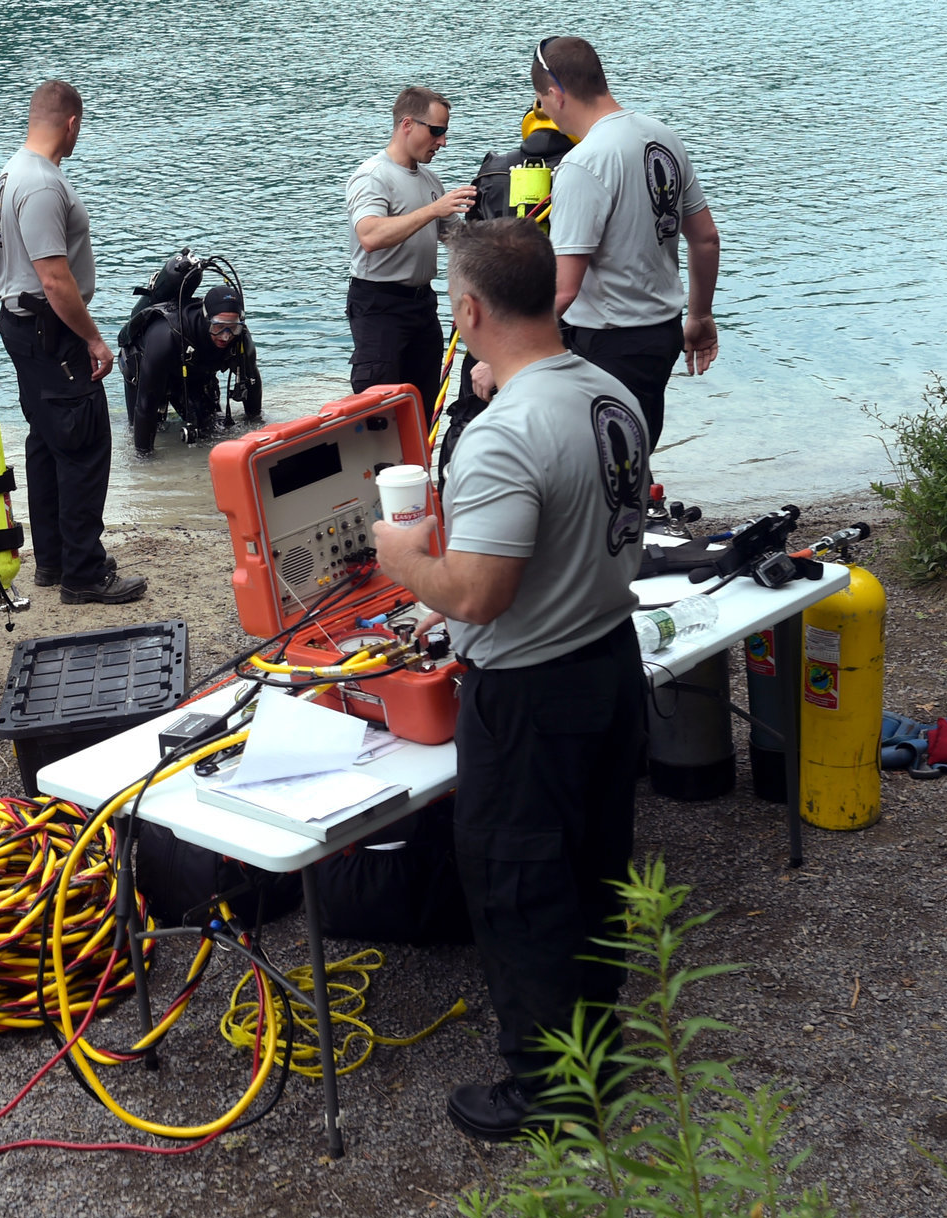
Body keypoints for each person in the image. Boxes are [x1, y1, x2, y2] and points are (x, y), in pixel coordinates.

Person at [370, 219, 650, 1141]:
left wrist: (400, 559)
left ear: (470, 309)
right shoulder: (609, 395)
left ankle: (547, 1091)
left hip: (531, 694)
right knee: (594, 869)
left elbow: (481, 594)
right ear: (553, 295)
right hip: (609, 664)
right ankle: (594, 1047)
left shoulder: (505, 436)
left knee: (521, 885)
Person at [0, 79, 147, 604]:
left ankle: (54, 559)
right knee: (82, 440)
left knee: (47, 440)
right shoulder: (39, 183)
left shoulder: (15, 170)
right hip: (48, 328)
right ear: (71, 123)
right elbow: (55, 280)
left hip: (26, 325)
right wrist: (96, 341)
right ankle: (83, 573)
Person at [528, 36, 721, 449]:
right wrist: (700, 316)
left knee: (598, 473)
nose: (542, 111)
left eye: (540, 100)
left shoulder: (583, 162)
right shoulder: (661, 135)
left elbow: (564, 289)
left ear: (555, 93)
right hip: (662, 334)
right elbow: (706, 238)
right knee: (635, 463)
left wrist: (507, 352)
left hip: (609, 343)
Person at [345, 87, 476, 408]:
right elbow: (370, 236)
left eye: (445, 132)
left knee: (425, 404)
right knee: (381, 409)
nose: (443, 141)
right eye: (436, 131)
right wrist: (434, 210)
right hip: (379, 307)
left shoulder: (432, 182)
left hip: (422, 307)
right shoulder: (372, 177)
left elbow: (459, 241)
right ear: (407, 125)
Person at [119, 280, 262, 453]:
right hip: (144, 368)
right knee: (146, 429)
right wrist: (144, 460)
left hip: (193, 370)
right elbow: (145, 405)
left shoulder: (240, 340)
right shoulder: (167, 336)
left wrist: (256, 427)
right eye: (218, 327)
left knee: (210, 430)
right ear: (205, 317)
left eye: (233, 328)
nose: (225, 336)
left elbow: (252, 385)